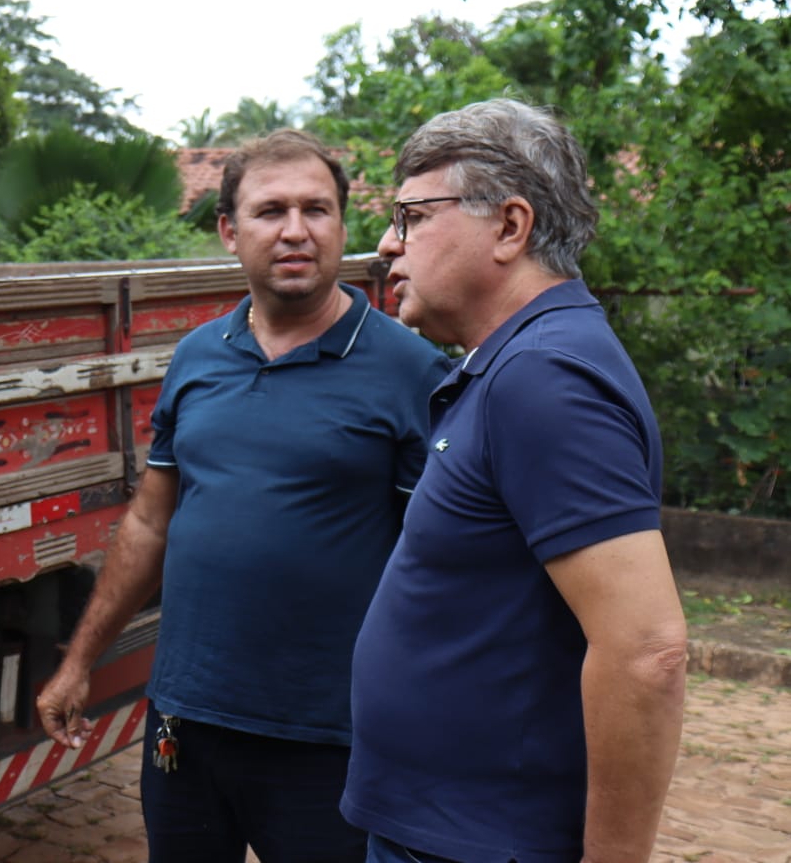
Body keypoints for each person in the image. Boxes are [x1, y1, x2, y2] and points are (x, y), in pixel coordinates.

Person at [36, 129, 451, 863]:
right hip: (185, 727)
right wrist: (79, 661)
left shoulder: (410, 371)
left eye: (317, 210)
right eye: (271, 211)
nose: (296, 231)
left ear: (342, 225)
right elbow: (149, 522)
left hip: (331, 742)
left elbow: (444, 566)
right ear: (229, 230)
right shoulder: (199, 357)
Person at [342, 99, 688, 863]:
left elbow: (647, 652)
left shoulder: (544, 377)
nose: (385, 244)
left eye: (411, 216)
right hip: (446, 831)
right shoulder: (517, 362)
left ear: (509, 226)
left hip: (480, 842)